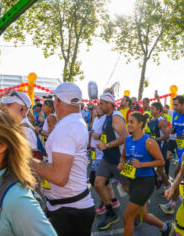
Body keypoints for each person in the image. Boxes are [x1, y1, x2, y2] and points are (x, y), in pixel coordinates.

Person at [30, 82, 95, 235]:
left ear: (58, 101)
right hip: (70, 207)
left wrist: (27, 161)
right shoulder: (74, 122)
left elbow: (59, 177)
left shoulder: (67, 127)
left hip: (69, 211)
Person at [119, 112, 172, 236]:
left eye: (132, 122)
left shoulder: (148, 141)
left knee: (127, 217)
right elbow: (123, 157)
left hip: (145, 182)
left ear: (140, 124)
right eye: (128, 121)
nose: (128, 124)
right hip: (133, 180)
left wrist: (142, 164)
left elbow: (161, 161)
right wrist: (121, 163)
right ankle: (166, 228)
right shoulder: (128, 139)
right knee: (143, 216)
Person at [93, 92, 129, 230]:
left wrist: (107, 145)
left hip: (118, 160)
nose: (99, 105)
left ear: (109, 104)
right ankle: (110, 212)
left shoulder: (116, 117)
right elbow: (109, 134)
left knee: (128, 188)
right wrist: (100, 137)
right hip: (107, 158)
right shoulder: (107, 117)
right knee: (98, 183)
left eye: (102, 103)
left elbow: (125, 137)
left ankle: (139, 211)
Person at [159, 95, 184, 214]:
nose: (174, 107)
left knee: (179, 176)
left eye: (176, 105)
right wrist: (171, 146)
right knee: (181, 177)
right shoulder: (174, 115)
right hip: (180, 151)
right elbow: (174, 131)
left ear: (183, 104)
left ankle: (173, 205)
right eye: (173, 105)